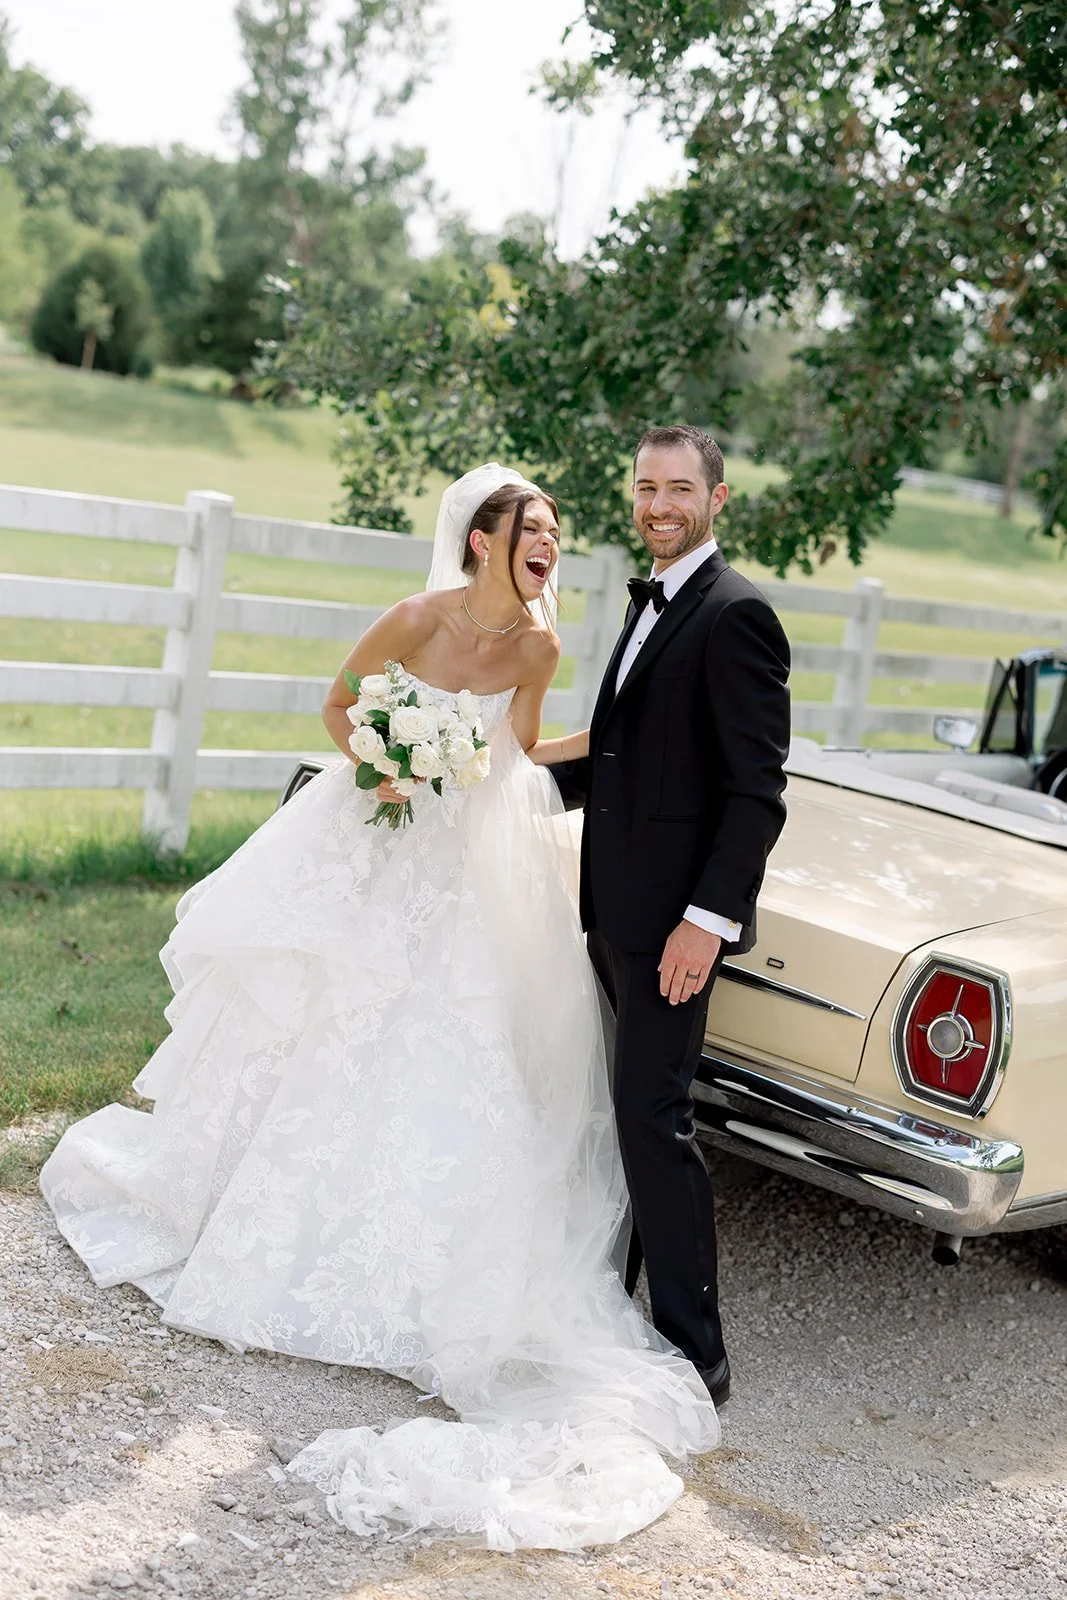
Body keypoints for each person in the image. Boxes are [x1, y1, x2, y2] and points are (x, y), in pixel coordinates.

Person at [39, 463, 719, 1553]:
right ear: (482, 539)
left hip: (466, 867)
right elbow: (337, 703)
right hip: (376, 843)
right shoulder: (414, 615)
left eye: (554, 527)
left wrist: (624, 748)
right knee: (327, 1019)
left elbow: (517, 754)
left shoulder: (541, 646)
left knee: (456, 1047)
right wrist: (387, 762)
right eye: (529, 525)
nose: (548, 538)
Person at [550, 425, 791, 1406]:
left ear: (715, 500)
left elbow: (754, 793)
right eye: (645, 488)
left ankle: (696, 1355)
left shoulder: (735, 615)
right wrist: (488, 778)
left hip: (672, 927)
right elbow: (616, 751)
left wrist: (707, 920)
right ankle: (619, 1295)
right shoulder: (649, 603)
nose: (657, 505)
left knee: (653, 1114)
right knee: (625, 1106)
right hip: (615, 907)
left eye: (677, 490)